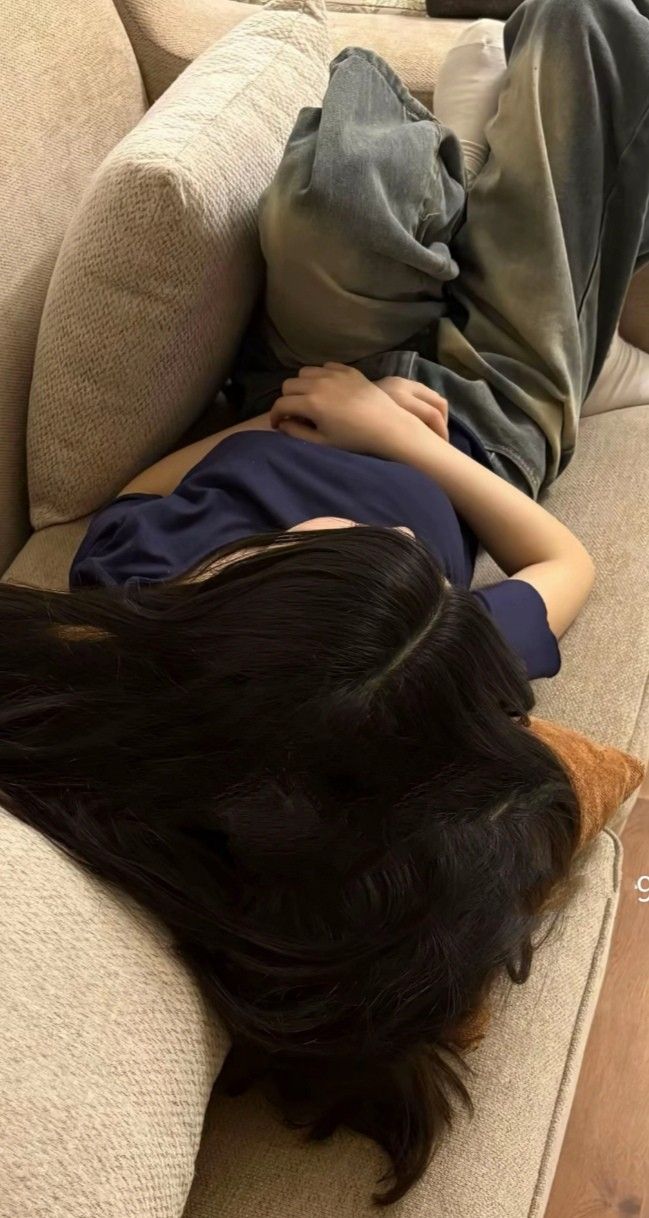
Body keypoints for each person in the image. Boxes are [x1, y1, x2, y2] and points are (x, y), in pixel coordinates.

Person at [2, 0, 648, 1204]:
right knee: (588, 20)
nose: (376, 526)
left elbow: (139, 492)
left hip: (308, 377)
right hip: (488, 433)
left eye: (334, 546)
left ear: (240, 599)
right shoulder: (422, 671)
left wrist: (282, 417)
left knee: (339, 185)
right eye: (385, 546)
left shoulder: (149, 585)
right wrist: (414, 454)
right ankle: (537, 217)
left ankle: (458, 180)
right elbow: (563, 562)